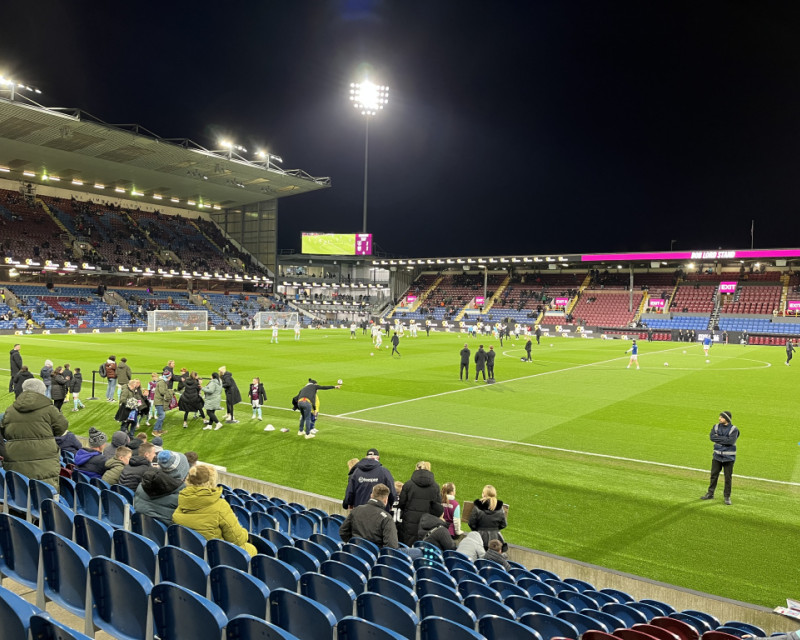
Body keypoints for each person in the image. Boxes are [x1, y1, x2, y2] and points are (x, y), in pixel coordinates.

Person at [172, 464, 257, 556]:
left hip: (192, 552)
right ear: (211, 482)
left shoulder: (182, 502)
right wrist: (245, 533)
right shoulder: (220, 506)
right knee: (252, 549)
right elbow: (237, 539)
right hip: (216, 555)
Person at [0, 378, 68, 488]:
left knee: (20, 491)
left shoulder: (10, 410)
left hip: (15, 457)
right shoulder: (49, 409)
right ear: (42, 391)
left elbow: (4, 431)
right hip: (44, 458)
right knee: (45, 491)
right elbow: (61, 428)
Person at [339, 483, 399, 549]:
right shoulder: (386, 518)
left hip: (355, 552)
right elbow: (392, 546)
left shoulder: (357, 510)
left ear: (371, 496)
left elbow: (343, 531)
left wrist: (355, 544)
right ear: (386, 500)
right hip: (375, 556)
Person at [397, 461, 441, 546]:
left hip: (409, 523)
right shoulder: (435, 487)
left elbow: (401, 503)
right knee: (423, 550)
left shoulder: (408, 485)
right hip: (426, 524)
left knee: (407, 550)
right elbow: (437, 509)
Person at [700, 411, 739, 505]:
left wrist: (719, 438)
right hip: (717, 456)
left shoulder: (734, 429)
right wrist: (725, 439)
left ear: (727, 419)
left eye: (721, 417)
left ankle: (727, 496)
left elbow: (731, 441)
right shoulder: (716, 426)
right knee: (713, 475)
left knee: (727, 478)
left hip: (728, 458)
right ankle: (710, 493)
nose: (719, 418)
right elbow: (712, 437)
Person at [468, 484, 507, 551]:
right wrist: (495, 529)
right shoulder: (500, 508)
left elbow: (471, 523)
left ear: (484, 494)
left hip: (480, 537)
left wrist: (478, 530)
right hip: (495, 538)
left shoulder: (477, 507)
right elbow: (504, 524)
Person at [152, 371, 174, 437]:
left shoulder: (163, 381)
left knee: (162, 416)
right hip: (159, 401)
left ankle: (159, 429)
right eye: (169, 376)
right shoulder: (162, 382)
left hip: (160, 401)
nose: (170, 377)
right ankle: (155, 430)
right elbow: (162, 392)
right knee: (162, 416)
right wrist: (170, 391)